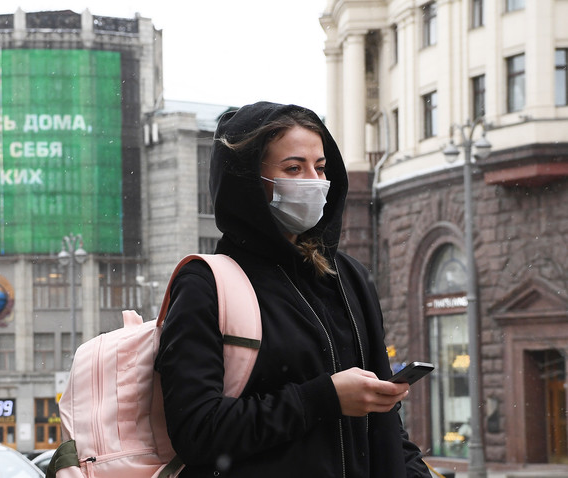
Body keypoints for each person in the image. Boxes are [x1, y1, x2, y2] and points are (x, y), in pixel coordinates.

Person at [154, 102, 431, 477]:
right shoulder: (207, 285)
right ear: (249, 181)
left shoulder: (348, 278)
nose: (315, 181)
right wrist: (324, 398)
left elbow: (386, 425)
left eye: (320, 167)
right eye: (293, 168)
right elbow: (198, 430)